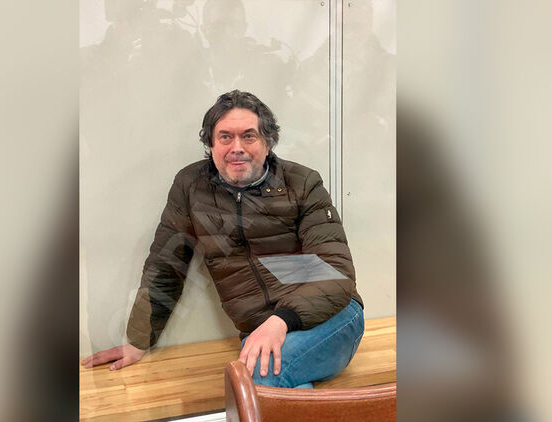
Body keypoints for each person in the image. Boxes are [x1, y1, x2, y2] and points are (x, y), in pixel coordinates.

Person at [81, 90, 364, 388]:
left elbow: (335, 271)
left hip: (330, 318)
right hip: (258, 331)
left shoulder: (302, 183)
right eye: (225, 137)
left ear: (267, 142)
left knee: (260, 379)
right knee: (269, 385)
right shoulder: (191, 186)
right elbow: (166, 267)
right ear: (211, 144)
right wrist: (138, 341)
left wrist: (281, 321)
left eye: (249, 136)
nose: (236, 147)